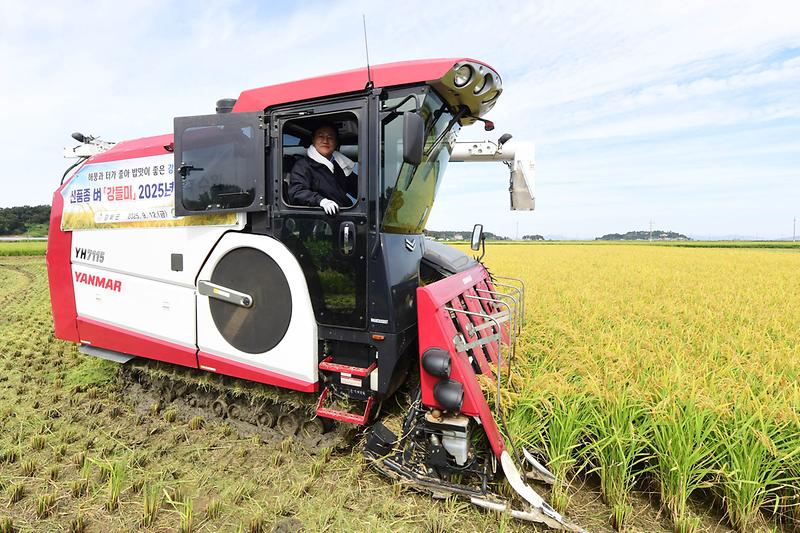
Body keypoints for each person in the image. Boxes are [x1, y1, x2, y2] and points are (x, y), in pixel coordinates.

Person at [288, 123, 358, 215]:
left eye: (330, 137)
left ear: (336, 142)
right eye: (321, 136)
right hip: (319, 221)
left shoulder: (340, 164)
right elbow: (296, 192)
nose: (325, 141)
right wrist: (321, 201)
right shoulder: (303, 165)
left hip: (343, 214)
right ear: (313, 140)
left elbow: (358, 188)